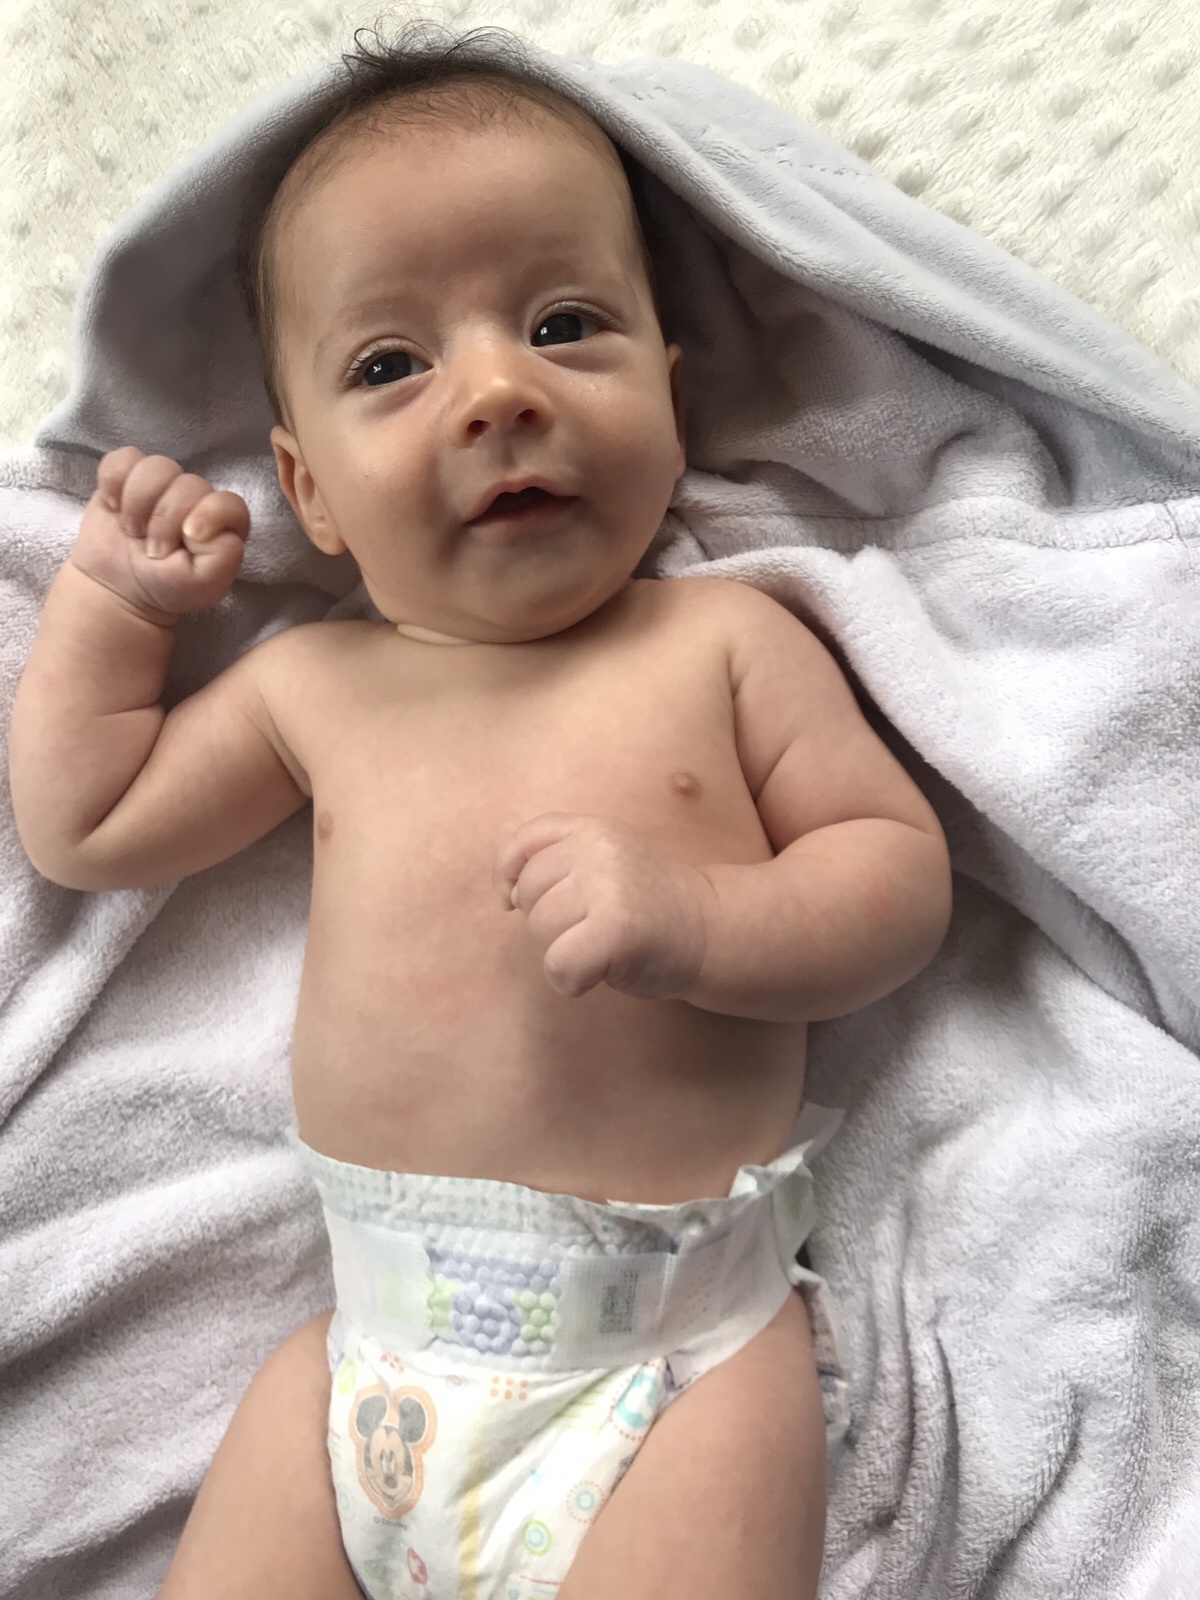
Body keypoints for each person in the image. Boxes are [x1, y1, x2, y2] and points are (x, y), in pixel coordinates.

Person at [9, 29, 952, 1600]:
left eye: (565, 326)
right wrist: (113, 608)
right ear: (310, 492)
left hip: (679, 1364)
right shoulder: (315, 687)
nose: (500, 392)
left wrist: (706, 920)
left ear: (670, 394)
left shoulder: (725, 643)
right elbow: (84, 824)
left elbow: (896, 879)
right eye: (393, 365)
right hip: (364, 1359)